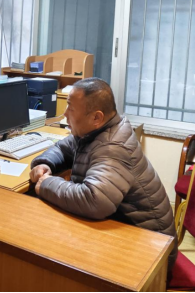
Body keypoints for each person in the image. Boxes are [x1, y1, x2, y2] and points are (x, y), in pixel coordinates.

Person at [29, 78, 178, 269]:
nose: (64, 114)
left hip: (152, 252)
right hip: (127, 231)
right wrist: (45, 163)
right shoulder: (95, 132)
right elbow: (63, 148)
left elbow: (95, 200)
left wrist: (46, 183)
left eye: (71, 108)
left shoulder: (113, 147)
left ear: (96, 118)